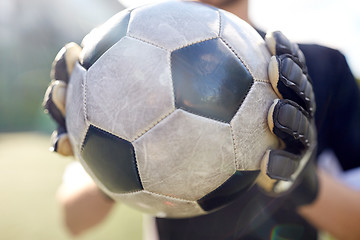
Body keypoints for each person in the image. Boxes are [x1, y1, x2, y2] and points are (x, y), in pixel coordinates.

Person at [43, 0, 360, 239]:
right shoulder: (129, 57)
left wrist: (304, 182)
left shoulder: (320, 67)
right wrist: (102, 156)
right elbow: (74, 219)